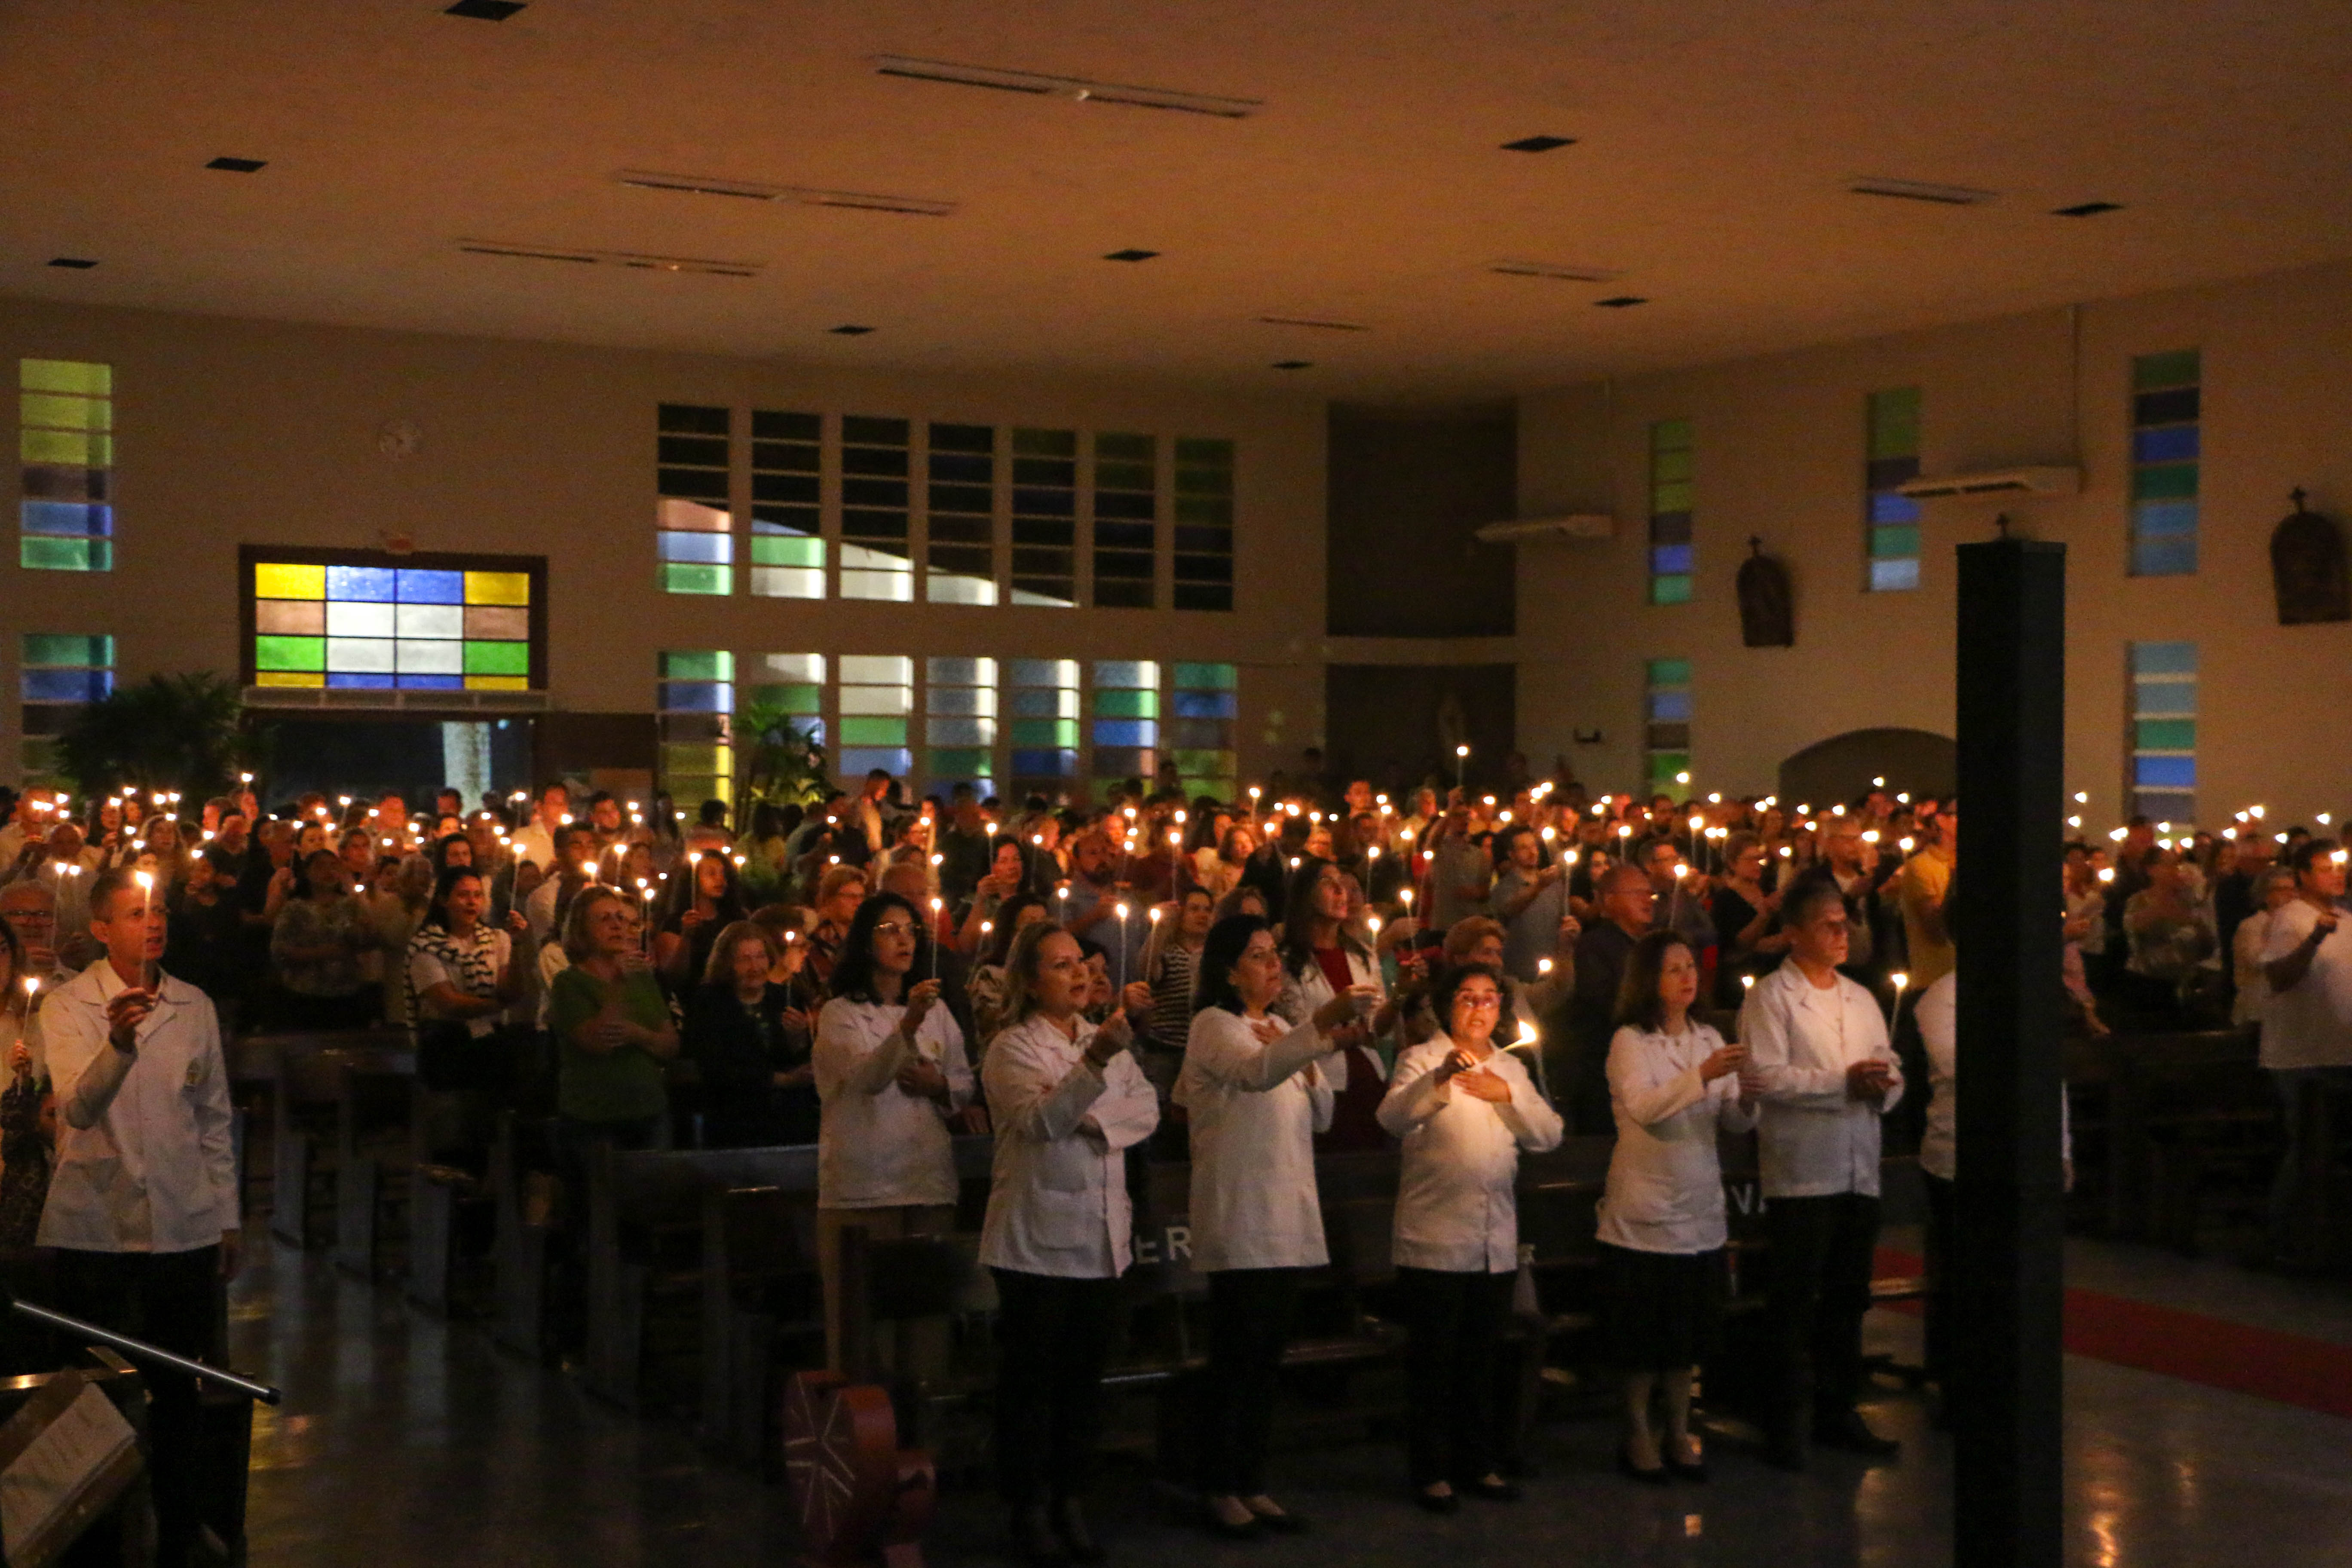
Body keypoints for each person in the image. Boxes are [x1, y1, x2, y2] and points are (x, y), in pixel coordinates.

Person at [39, 870, 238, 1568]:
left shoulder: (193, 1004)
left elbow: (213, 1118)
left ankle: (179, 1526)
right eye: (133, 913)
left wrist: (226, 1217)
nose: (152, 923)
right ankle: (97, 1536)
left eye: (158, 912)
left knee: (178, 1387)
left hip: (182, 1223)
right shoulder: (68, 1004)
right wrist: (119, 1044)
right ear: (100, 928)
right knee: (95, 1388)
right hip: (94, 1224)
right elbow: (79, 1107)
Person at [1175, 914, 1366, 1538]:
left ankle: (1252, 1479)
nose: (1272, 964)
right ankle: (1217, 1485)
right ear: (1230, 971)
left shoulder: (1283, 1028)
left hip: (1285, 1211)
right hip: (1240, 1212)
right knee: (1236, 1356)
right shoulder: (1214, 1025)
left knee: (1266, 1360)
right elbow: (1256, 1074)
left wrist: (1309, 1052)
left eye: (1273, 953)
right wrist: (1318, 1032)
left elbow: (1322, 1111)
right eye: (1257, 955)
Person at [980, 924, 1160, 1564]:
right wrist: (1092, 1072)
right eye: (1061, 966)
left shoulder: (1100, 1037)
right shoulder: (1012, 1048)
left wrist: (1093, 1116)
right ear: (1031, 983)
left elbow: (1146, 1110)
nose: (1079, 973)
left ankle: (1071, 1498)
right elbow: (1042, 1122)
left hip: (1103, 1237)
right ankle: (1028, 1506)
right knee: (1034, 1385)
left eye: (1081, 962)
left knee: (1084, 1384)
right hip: (1037, 1241)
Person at [1377, 962, 1563, 1511]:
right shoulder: (1420, 1058)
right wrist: (1439, 1081)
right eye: (1467, 997)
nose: (1480, 1008)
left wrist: (1506, 1094)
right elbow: (1392, 1118)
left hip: (1493, 1240)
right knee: (1435, 1363)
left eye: (1489, 998)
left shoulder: (1511, 1067)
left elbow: (1549, 1135)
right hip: (1435, 1238)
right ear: (1446, 1005)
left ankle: (1478, 1461)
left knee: (1481, 1360)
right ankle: (1431, 1471)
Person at [1739, 876, 1904, 1469]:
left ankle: (1839, 1409)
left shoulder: (1859, 998)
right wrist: (1842, 1082)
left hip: (1858, 1166)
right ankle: (1785, 1420)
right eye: (1828, 924)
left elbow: (1889, 1064)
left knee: (1847, 1298)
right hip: (1804, 1170)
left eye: (1845, 922)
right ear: (1794, 933)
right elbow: (1764, 1077)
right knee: (1795, 1301)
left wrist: (1884, 1086)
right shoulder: (1771, 998)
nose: (1842, 933)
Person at [1596, 931, 1755, 1482]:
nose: (1689, 977)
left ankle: (1680, 1430)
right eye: (1674, 969)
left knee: (1687, 1336)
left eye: (1691, 967)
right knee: (1644, 1337)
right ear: (1649, 979)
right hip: (1645, 1207)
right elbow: (1646, 1108)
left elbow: (1731, 1118)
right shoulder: (1630, 1042)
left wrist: (1748, 1097)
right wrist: (1703, 1075)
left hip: (1698, 1203)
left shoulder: (1708, 1035)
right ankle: (1638, 1432)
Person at [812, 893, 975, 1374]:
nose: (904, 939)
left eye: (910, 930)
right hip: (864, 1186)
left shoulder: (937, 1012)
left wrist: (939, 1085)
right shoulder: (840, 1013)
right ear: (866, 942)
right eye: (890, 930)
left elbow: (963, 1081)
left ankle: (924, 1407)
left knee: (925, 1325)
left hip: (925, 1179)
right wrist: (907, 1026)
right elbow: (866, 1079)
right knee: (865, 1327)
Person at [2257, 839, 2352, 1265]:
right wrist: (2314, 938)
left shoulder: (2347, 919)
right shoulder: (2291, 918)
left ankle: (2329, 1235)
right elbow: (2280, 977)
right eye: (2325, 868)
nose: (2337, 874)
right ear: (2303, 876)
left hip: (2342, 1050)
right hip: (2303, 1055)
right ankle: (2282, 1240)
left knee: (2331, 1150)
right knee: (2307, 1148)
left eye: (2339, 867)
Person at [548, 888, 677, 1153]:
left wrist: (638, 1034)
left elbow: (671, 1046)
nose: (617, 925)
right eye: (605, 919)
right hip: (594, 1118)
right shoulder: (569, 983)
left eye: (620, 918)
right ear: (582, 930)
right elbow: (599, 1042)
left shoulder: (642, 977)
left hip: (648, 1111)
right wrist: (619, 980)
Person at [1274, 858, 1390, 1152]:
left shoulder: (1362, 955)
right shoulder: (1289, 962)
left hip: (1368, 1082)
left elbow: (1378, 1027)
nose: (1342, 891)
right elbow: (1300, 1033)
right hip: (1322, 1086)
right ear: (1305, 895)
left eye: (1344, 884)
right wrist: (1354, 1032)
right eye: (1329, 883)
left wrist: (1403, 997)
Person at [683, 921, 818, 1147]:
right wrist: (781, 1080)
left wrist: (799, 1038)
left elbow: (800, 1058)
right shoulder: (709, 1003)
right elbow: (715, 1066)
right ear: (727, 964)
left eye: (760, 957)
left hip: (787, 1122)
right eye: (744, 959)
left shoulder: (784, 997)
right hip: (735, 1121)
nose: (755, 967)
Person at [407, 865, 531, 1099]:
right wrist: (498, 1006)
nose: (472, 902)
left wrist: (517, 945)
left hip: (491, 1041)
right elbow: (449, 1003)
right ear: (443, 900)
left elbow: (510, 991)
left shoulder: (496, 939)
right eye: (463, 895)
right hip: (447, 1044)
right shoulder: (427, 946)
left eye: (478, 895)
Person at [1565, 864, 1657, 1132]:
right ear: (1610, 900)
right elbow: (1605, 1004)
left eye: (1649, 893)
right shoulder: (1595, 946)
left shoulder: (1650, 945)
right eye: (1637, 893)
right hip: (1606, 1069)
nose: (1647, 900)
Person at [269, 848, 377, 1029]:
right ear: (308, 872)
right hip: (306, 992)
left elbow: (367, 943)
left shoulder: (350, 905)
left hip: (347, 991)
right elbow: (279, 950)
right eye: (321, 867)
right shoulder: (295, 908)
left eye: (334, 867)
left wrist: (366, 931)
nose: (329, 872)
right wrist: (321, 953)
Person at [966, 894, 1048, 1056]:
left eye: (1044, 925)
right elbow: (995, 1025)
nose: (1040, 934)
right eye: (1031, 926)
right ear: (1010, 932)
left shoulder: (1053, 973)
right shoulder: (991, 976)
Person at [2233, 867, 2298, 1029]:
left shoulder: (2299, 925)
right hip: (2259, 1011)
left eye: (2293, 889)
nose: (2290, 895)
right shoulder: (2252, 926)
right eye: (2282, 890)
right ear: (2266, 895)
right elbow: (2257, 960)